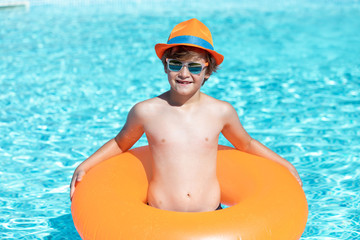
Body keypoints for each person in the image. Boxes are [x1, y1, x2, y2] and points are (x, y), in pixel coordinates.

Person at [70, 18, 302, 212]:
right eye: (175, 64)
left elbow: (246, 144)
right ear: (165, 66)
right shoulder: (146, 111)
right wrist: (85, 165)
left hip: (211, 215)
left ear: (208, 71)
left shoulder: (221, 112)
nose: (184, 73)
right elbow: (121, 143)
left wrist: (285, 165)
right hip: (159, 215)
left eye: (194, 67)